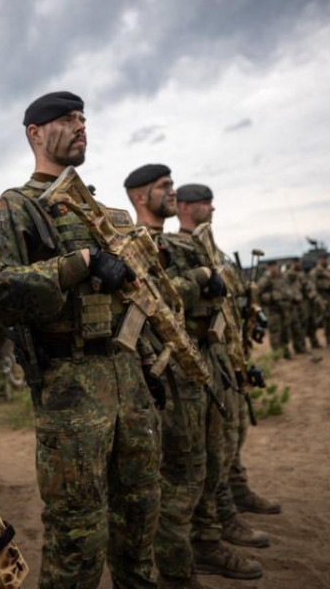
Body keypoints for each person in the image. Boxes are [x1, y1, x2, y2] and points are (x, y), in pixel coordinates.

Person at [0, 91, 161, 588]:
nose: (81, 125)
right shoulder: (17, 208)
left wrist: (152, 369)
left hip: (130, 377)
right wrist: (76, 265)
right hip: (71, 387)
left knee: (141, 512)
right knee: (77, 531)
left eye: (83, 118)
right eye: (66, 119)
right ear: (34, 134)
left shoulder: (106, 216)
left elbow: (139, 302)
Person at [125, 167, 262, 586]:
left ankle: (206, 542)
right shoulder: (137, 243)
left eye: (172, 185)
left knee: (207, 463)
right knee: (182, 474)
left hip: (202, 361)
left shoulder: (178, 242)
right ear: (139, 196)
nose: (172, 191)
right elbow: (151, 296)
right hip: (169, 372)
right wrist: (201, 279)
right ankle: (177, 570)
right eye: (164, 186)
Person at [175, 184, 276, 547]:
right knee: (214, 444)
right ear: (185, 207)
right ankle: (220, 517)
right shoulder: (180, 248)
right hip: (203, 355)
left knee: (233, 432)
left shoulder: (213, 250)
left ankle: (237, 491)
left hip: (228, 353)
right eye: (204, 202)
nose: (212, 207)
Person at [257, 261, 294, 359]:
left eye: (276, 266)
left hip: (284, 309)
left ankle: (286, 352)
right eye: (272, 267)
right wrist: (272, 296)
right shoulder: (265, 280)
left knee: (285, 332)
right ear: (268, 268)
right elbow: (258, 294)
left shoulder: (282, 278)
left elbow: (288, 290)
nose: (275, 269)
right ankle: (277, 355)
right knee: (275, 333)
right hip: (273, 310)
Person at [309, 252, 330, 346]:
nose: (325, 260)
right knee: (326, 320)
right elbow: (312, 288)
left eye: (326, 258)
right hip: (323, 298)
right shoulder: (315, 272)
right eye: (323, 258)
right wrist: (319, 300)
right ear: (318, 260)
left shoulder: (327, 271)